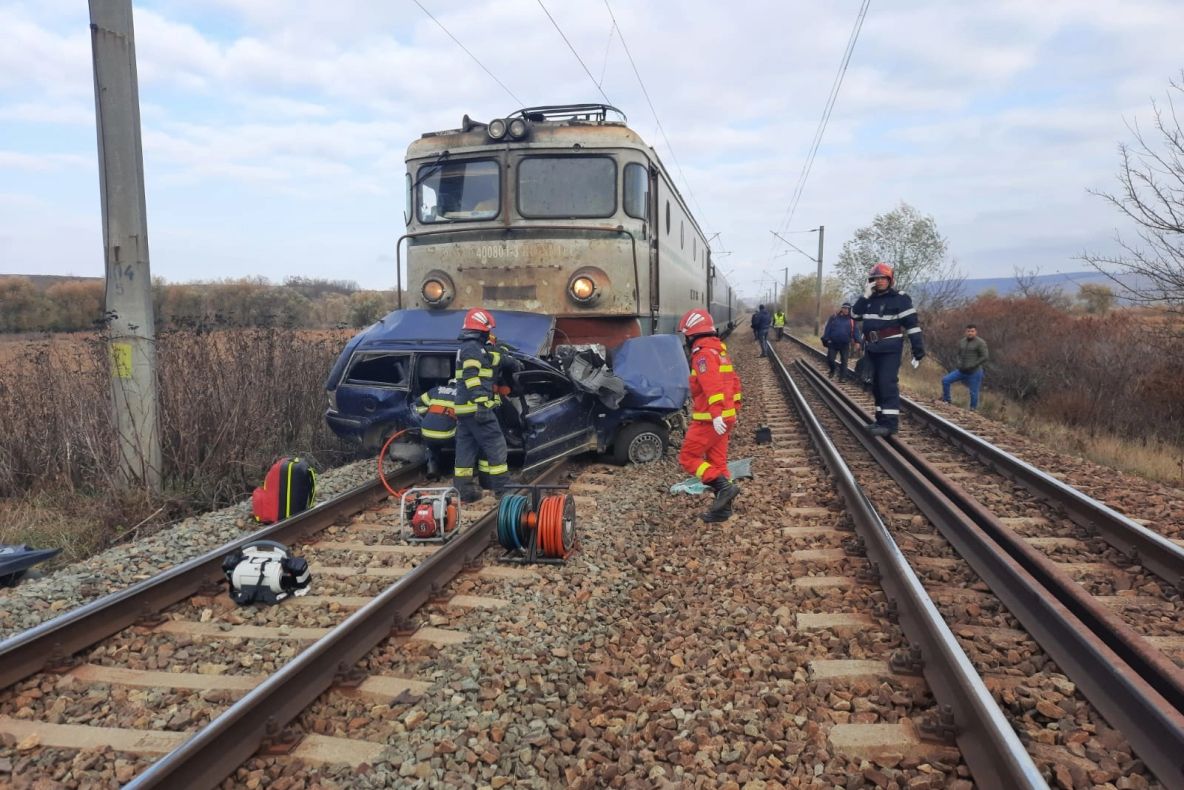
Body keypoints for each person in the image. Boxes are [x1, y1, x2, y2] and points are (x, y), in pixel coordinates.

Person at [676, 308, 742, 523]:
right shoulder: (719, 352)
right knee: (718, 463)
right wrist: (734, 409)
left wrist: (715, 414)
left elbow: (711, 386)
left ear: (692, 334)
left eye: (686, 335)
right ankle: (723, 511)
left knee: (688, 457)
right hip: (725, 418)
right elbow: (734, 382)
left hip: (709, 419)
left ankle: (723, 487)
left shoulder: (702, 354)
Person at [452, 308, 521, 502]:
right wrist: (481, 403)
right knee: (496, 442)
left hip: (464, 408)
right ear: (481, 329)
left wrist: (510, 358)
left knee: (466, 447)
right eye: (487, 330)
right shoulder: (473, 348)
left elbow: (494, 358)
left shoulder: (470, 347)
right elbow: (471, 377)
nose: (488, 334)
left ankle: (464, 490)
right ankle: (502, 488)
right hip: (476, 407)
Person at [851, 263, 925, 437]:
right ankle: (880, 420)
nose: (880, 281)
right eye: (876, 279)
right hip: (872, 348)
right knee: (875, 385)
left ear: (890, 280)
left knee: (887, 384)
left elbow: (912, 325)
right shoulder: (868, 299)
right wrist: (864, 296)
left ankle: (891, 424)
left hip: (890, 348)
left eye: (883, 278)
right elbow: (854, 315)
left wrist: (918, 349)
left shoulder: (900, 298)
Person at [415, 379, 458, 479]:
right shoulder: (463, 393)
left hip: (426, 431)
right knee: (464, 441)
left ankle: (432, 467)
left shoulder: (436, 390)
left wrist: (426, 415)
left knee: (431, 446)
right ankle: (457, 469)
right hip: (447, 435)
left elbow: (418, 402)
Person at [942, 324, 989, 410]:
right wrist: (958, 363)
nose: (970, 333)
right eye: (968, 331)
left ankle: (972, 410)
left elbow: (985, 356)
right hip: (961, 370)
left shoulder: (980, 343)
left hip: (974, 372)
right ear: (965, 332)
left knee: (973, 392)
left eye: (972, 331)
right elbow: (958, 354)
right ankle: (946, 400)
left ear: (976, 332)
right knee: (945, 380)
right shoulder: (962, 341)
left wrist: (973, 365)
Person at [821, 303, 862, 380]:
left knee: (844, 361)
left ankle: (842, 377)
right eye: (844, 308)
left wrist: (858, 341)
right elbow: (828, 328)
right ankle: (832, 370)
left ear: (850, 310)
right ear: (842, 308)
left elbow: (856, 331)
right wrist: (826, 338)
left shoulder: (852, 320)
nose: (846, 310)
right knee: (830, 359)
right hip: (833, 343)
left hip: (845, 344)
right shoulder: (834, 317)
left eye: (848, 309)